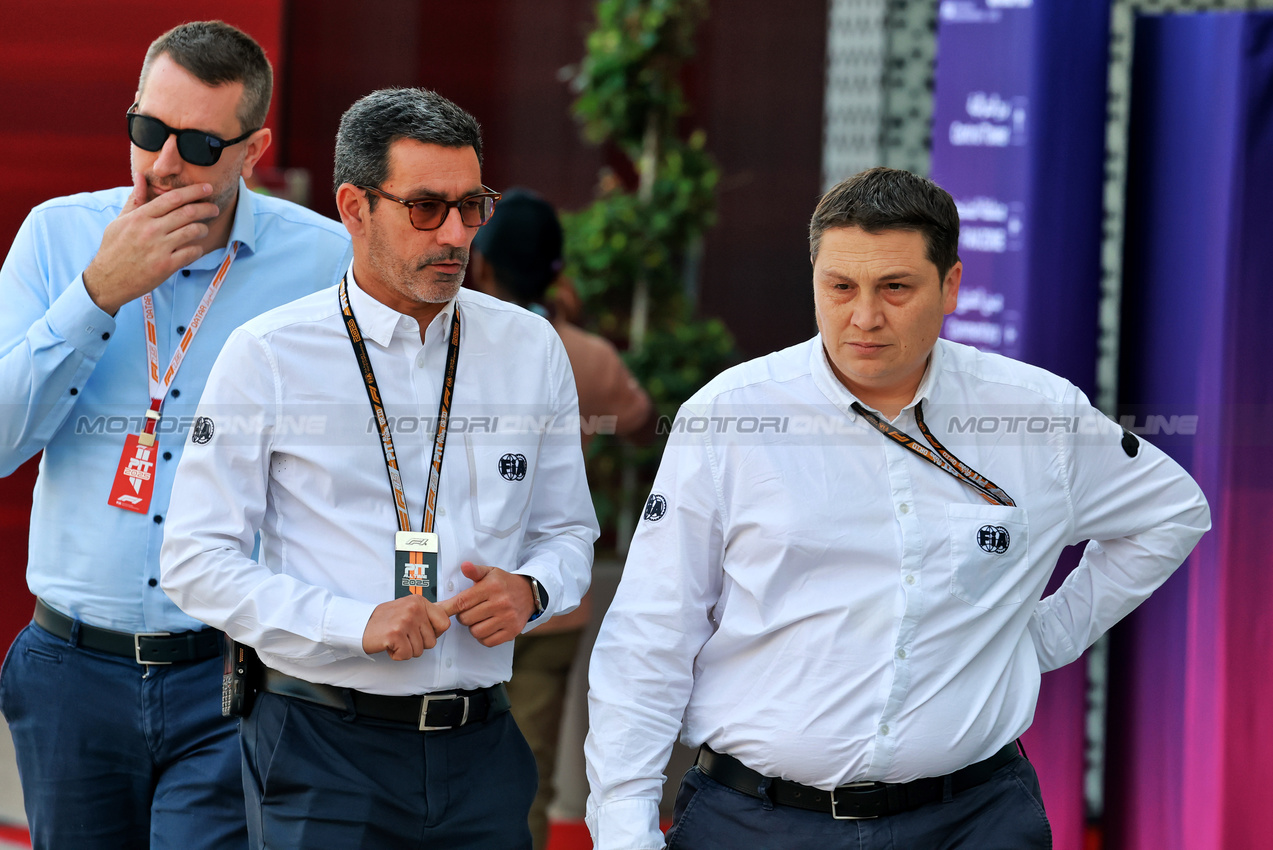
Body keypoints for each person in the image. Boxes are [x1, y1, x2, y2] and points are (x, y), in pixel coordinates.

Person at [584, 167, 1210, 849]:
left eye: (895, 288)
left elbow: (1170, 511)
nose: (863, 317)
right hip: (756, 820)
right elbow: (651, 632)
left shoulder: (1035, 414)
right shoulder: (731, 416)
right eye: (840, 287)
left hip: (972, 819)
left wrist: (1047, 635)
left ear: (950, 287)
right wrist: (622, 826)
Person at [160, 88, 598, 850]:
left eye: (472, 206)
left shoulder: (529, 349)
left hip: (482, 747)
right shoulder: (268, 355)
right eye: (426, 208)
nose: (457, 235)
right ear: (354, 207)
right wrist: (353, 623)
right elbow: (195, 561)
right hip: (322, 744)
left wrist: (532, 590)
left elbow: (569, 533)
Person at [0, 21, 351, 850]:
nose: (161, 164)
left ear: (252, 147)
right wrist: (94, 295)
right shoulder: (58, 237)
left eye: (196, 143)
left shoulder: (323, 261)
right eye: (146, 131)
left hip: (232, 673)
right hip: (71, 667)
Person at [468, 188, 652, 850]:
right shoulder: (583, 356)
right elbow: (638, 423)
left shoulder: (452, 343)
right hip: (548, 601)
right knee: (528, 780)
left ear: (481, 266)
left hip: (454, 596)